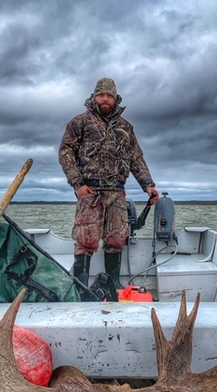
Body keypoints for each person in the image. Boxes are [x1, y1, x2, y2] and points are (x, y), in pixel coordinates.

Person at [59, 77, 159, 289]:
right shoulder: (80, 122)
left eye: (109, 95)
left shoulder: (126, 128)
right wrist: (77, 184)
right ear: (94, 96)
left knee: (116, 240)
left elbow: (136, 158)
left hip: (117, 192)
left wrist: (148, 185)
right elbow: (66, 152)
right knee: (86, 241)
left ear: (115, 98)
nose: (105, 99)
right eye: (101, 95)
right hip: (90, 191)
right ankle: (80, 288)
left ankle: (111, 287)